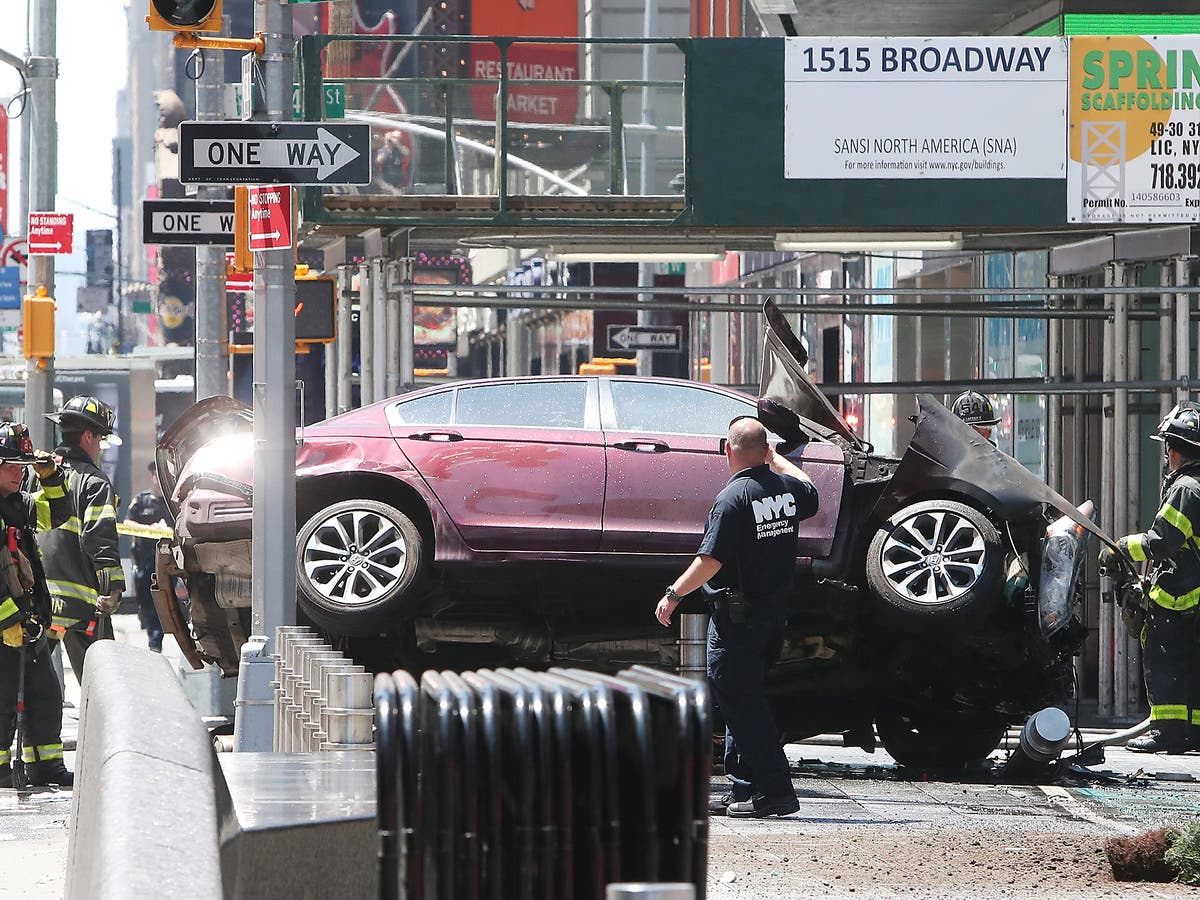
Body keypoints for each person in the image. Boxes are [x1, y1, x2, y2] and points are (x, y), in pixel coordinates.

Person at [655, 416, 818, 818]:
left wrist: (674, 594)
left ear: (726, 449)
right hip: (771, 617)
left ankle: (776, 791)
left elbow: (710, 560)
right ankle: (744, 789)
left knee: (743, 706)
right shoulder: (787, 491)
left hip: (737, 620)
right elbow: (811, 489)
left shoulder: (733, 499)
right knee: (742, 702)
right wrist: (776, 460)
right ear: (765, 450)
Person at [1102, 403, 1200, 754]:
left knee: (1166, 659)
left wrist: (1120, 547)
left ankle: (1167, 732)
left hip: (1181, 596)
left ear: (1172, 449)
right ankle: (1194, 733)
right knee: (1194, 666)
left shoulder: (1186, 489)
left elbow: (1161, 541)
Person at [0, 422, 76, 787]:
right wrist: (6, 621)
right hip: (5, 623)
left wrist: (50, 478)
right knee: (1, 701)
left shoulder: (16, 504)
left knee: (45, 693)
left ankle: (46, 765)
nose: (18, 473)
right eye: (11, 466)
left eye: (22, 467)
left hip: (27, 620)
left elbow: (55, 515)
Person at [36, 396, 126, 686]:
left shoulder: (33, 474)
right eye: (100, 439)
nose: (100, 448)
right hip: (81, 605)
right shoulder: (94, 482)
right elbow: (99, 538)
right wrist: (112, 587)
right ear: (88, 435)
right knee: (102, 686)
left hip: (37, 602)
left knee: (31, 685)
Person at [128, 461, 168, 653]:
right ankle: (151, 629)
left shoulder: (171, 501)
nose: (157, 480)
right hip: (144, 560)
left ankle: (156, 640)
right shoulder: (143, 500)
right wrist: (148, 529)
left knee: (159, 600)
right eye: (155, 476)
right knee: (144, 599)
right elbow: (128, 523)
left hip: (164, 562)